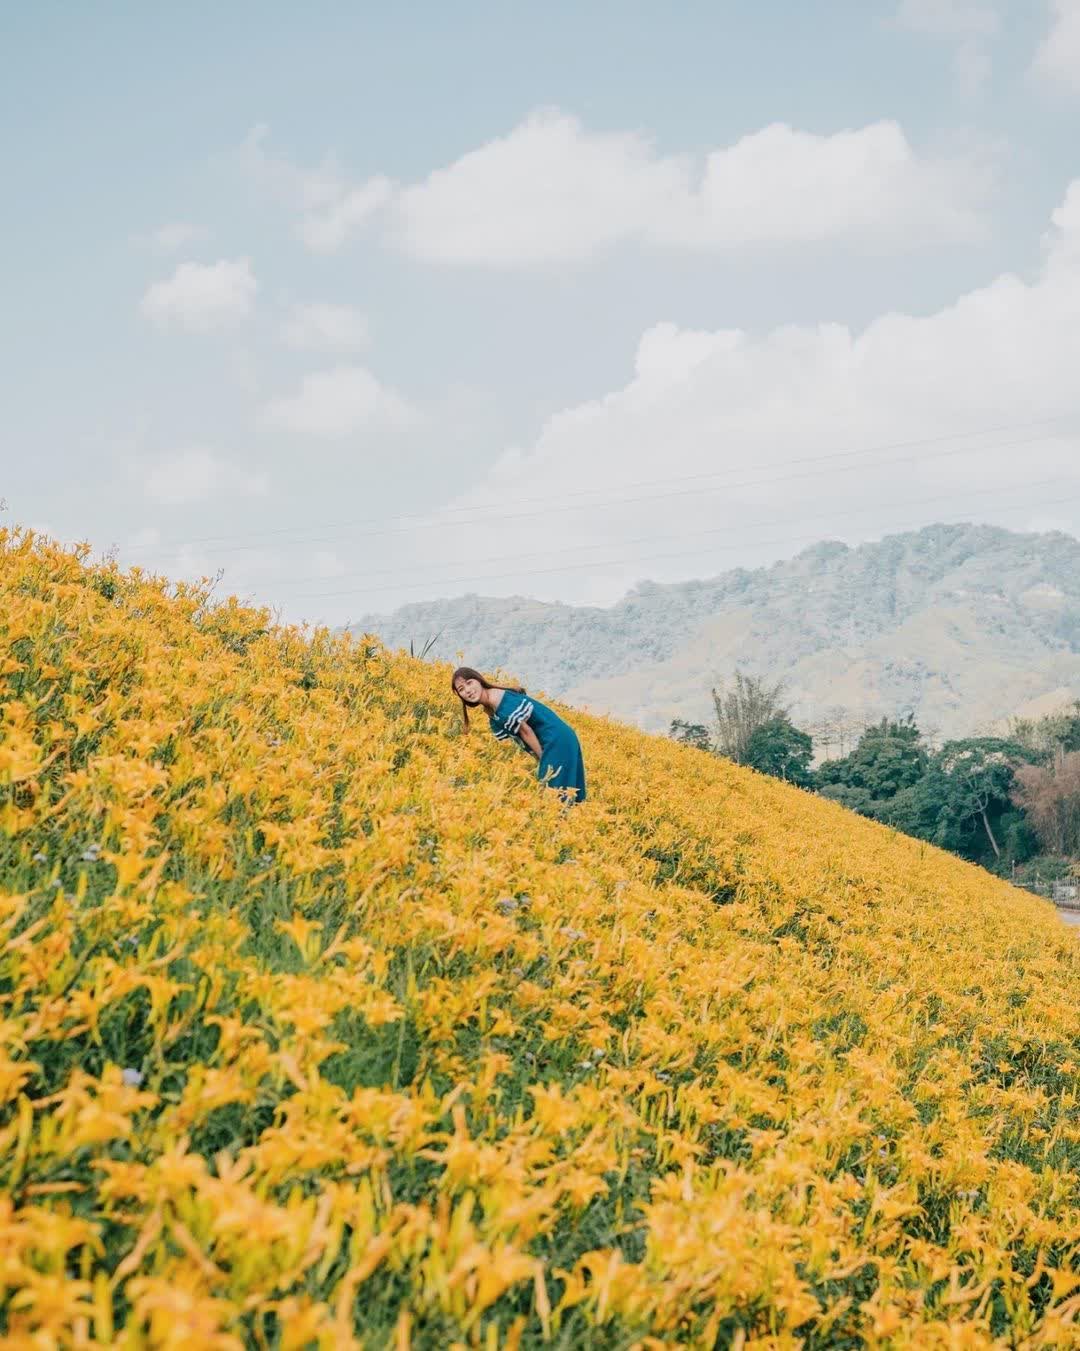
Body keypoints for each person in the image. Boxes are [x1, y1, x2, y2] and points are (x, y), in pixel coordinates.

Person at [452, 666, 586, 804]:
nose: (467, 690)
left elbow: (525, 732)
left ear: (479, 680)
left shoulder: (497, 699)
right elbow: (519, 739)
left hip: (557, 739)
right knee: (562, 794)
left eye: (469, 683)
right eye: (461, 689)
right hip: (553, 739)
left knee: (554, 796)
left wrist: (542, 759)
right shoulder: (489, 709)